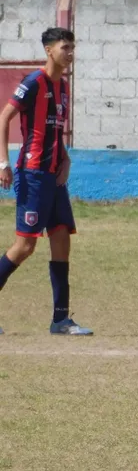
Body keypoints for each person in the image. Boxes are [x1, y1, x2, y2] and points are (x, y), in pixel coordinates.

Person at [0, 27, 92, 336]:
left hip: (54, 177)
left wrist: (65, 158)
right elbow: (4, 119)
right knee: (25, 246)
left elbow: (54, 131)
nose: (70, 53)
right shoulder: (33, 83)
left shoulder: (63, 86)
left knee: (62, 237)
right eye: (65, 47)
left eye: (72, 47)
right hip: (33, 175)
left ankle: (60, 320)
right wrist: (3, 163)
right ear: (49, 51)